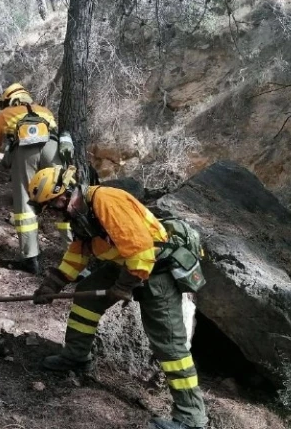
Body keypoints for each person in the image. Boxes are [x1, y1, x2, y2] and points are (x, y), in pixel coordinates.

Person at [26, 165, 208, 429]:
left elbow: (142, 251)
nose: (55, 212)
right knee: (87, 298)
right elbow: (79, 252)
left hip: (156, 271)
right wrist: (53, 284)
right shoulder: (82, 213)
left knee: (169, 344)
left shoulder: (105, 201)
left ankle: (191, 418)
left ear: (66, 192)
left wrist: (123, 286)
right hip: (126, 265)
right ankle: (76, 356)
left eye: (54, 205)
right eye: (50, 209)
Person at [0, 83, 74, 275]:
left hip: (24, 153)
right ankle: (75, 256)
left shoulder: (5, 114)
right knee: (64, 198)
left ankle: (31, 259)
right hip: (52, 148)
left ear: (9, 101)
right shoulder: (45, 111)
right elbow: (54, 133)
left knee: (25, 204)